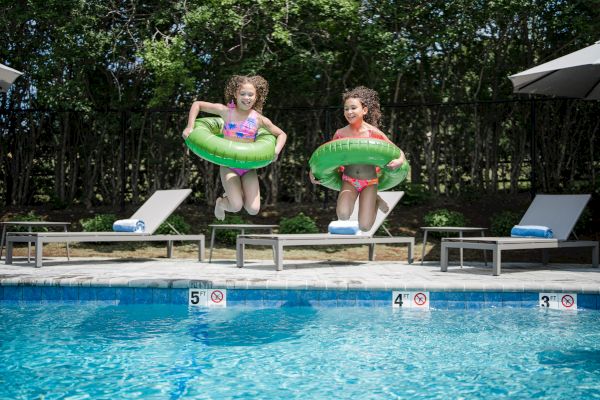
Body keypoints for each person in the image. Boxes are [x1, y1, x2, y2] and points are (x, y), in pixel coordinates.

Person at [182, 75, 287, 220]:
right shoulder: (226, 111)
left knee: (253, 209)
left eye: (251, 94)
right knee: (236, 206)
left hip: (249, 167)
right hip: (228, 166)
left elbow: (281, 134)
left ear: (256, 97)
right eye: (242, 94)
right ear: (235, 95)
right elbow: (197, 104)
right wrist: (190, 126)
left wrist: (276, 151)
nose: (246, 97)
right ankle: (221, 203)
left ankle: (236, 193)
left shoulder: (259, 119)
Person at [310, 86, 405, 232]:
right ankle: (375, 199)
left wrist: (399, 161)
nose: (349, 112)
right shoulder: (340, 133)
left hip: (370, 182)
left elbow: (398, 152)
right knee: (343, 215)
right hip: (349, 180)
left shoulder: (374, 133)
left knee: (365, 227)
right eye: (346, 109)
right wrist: (314, 171)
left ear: (364, 110)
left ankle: (375, 200)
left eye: (353, 108)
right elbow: (328, 157)